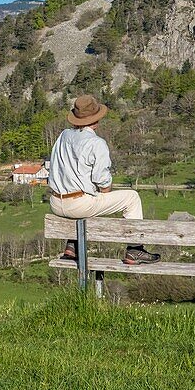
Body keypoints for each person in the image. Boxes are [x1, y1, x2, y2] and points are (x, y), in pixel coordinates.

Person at [49, 94, 160, 265]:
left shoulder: (63, 135)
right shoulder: (96, 142)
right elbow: (102, 180)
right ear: (96, 119)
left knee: (92, 198)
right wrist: (104, 192)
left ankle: (72, 245)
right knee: (131, 198)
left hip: (56, 202)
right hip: (79, 205)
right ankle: (135, 249)